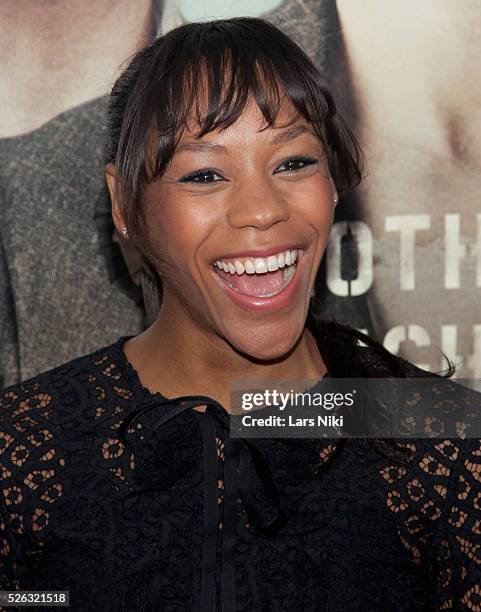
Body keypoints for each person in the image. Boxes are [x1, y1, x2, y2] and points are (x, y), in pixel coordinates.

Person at [0, 18, 480, 612]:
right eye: (205, 174)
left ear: (333, 183)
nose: (261, 210)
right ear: (125, 204)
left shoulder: (440, 438)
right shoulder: (26, 446)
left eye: (293, 163)